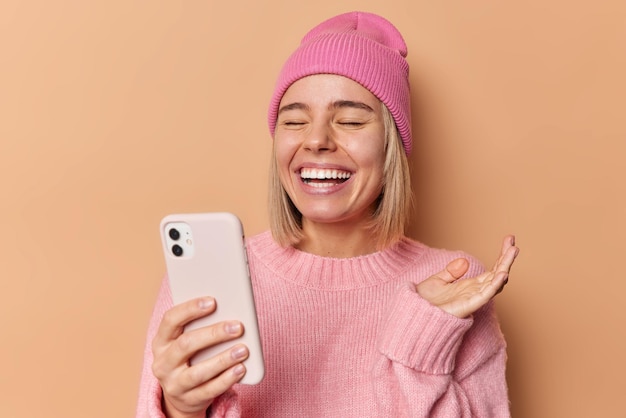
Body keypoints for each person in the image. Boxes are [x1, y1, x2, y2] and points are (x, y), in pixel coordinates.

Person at [136, 11, 519, 418]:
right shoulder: (205, 285)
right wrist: (181, 410)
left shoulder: (453, 287)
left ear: (391, 144)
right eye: (295, 120)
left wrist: (422, 338)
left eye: (351, 120)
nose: (316, 140)